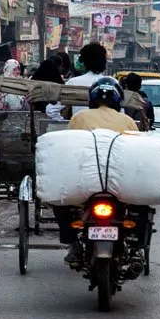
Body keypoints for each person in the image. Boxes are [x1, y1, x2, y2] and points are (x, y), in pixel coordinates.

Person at [61, 77, 139, 264]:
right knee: (141, 207)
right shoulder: (128, 121)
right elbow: (137, 152)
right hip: (120, 184)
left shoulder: (79, 118)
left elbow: (69, 148)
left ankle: (73, 245)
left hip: (83, 185)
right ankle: (136, 247)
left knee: (61, 204)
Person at [58, 43, 109, 120]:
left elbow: (52, 110)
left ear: (84, 62)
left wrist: (65, 124)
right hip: (106, 130)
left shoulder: (73, 82)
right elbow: (121, 112)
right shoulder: (112, 83)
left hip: (79, 129)